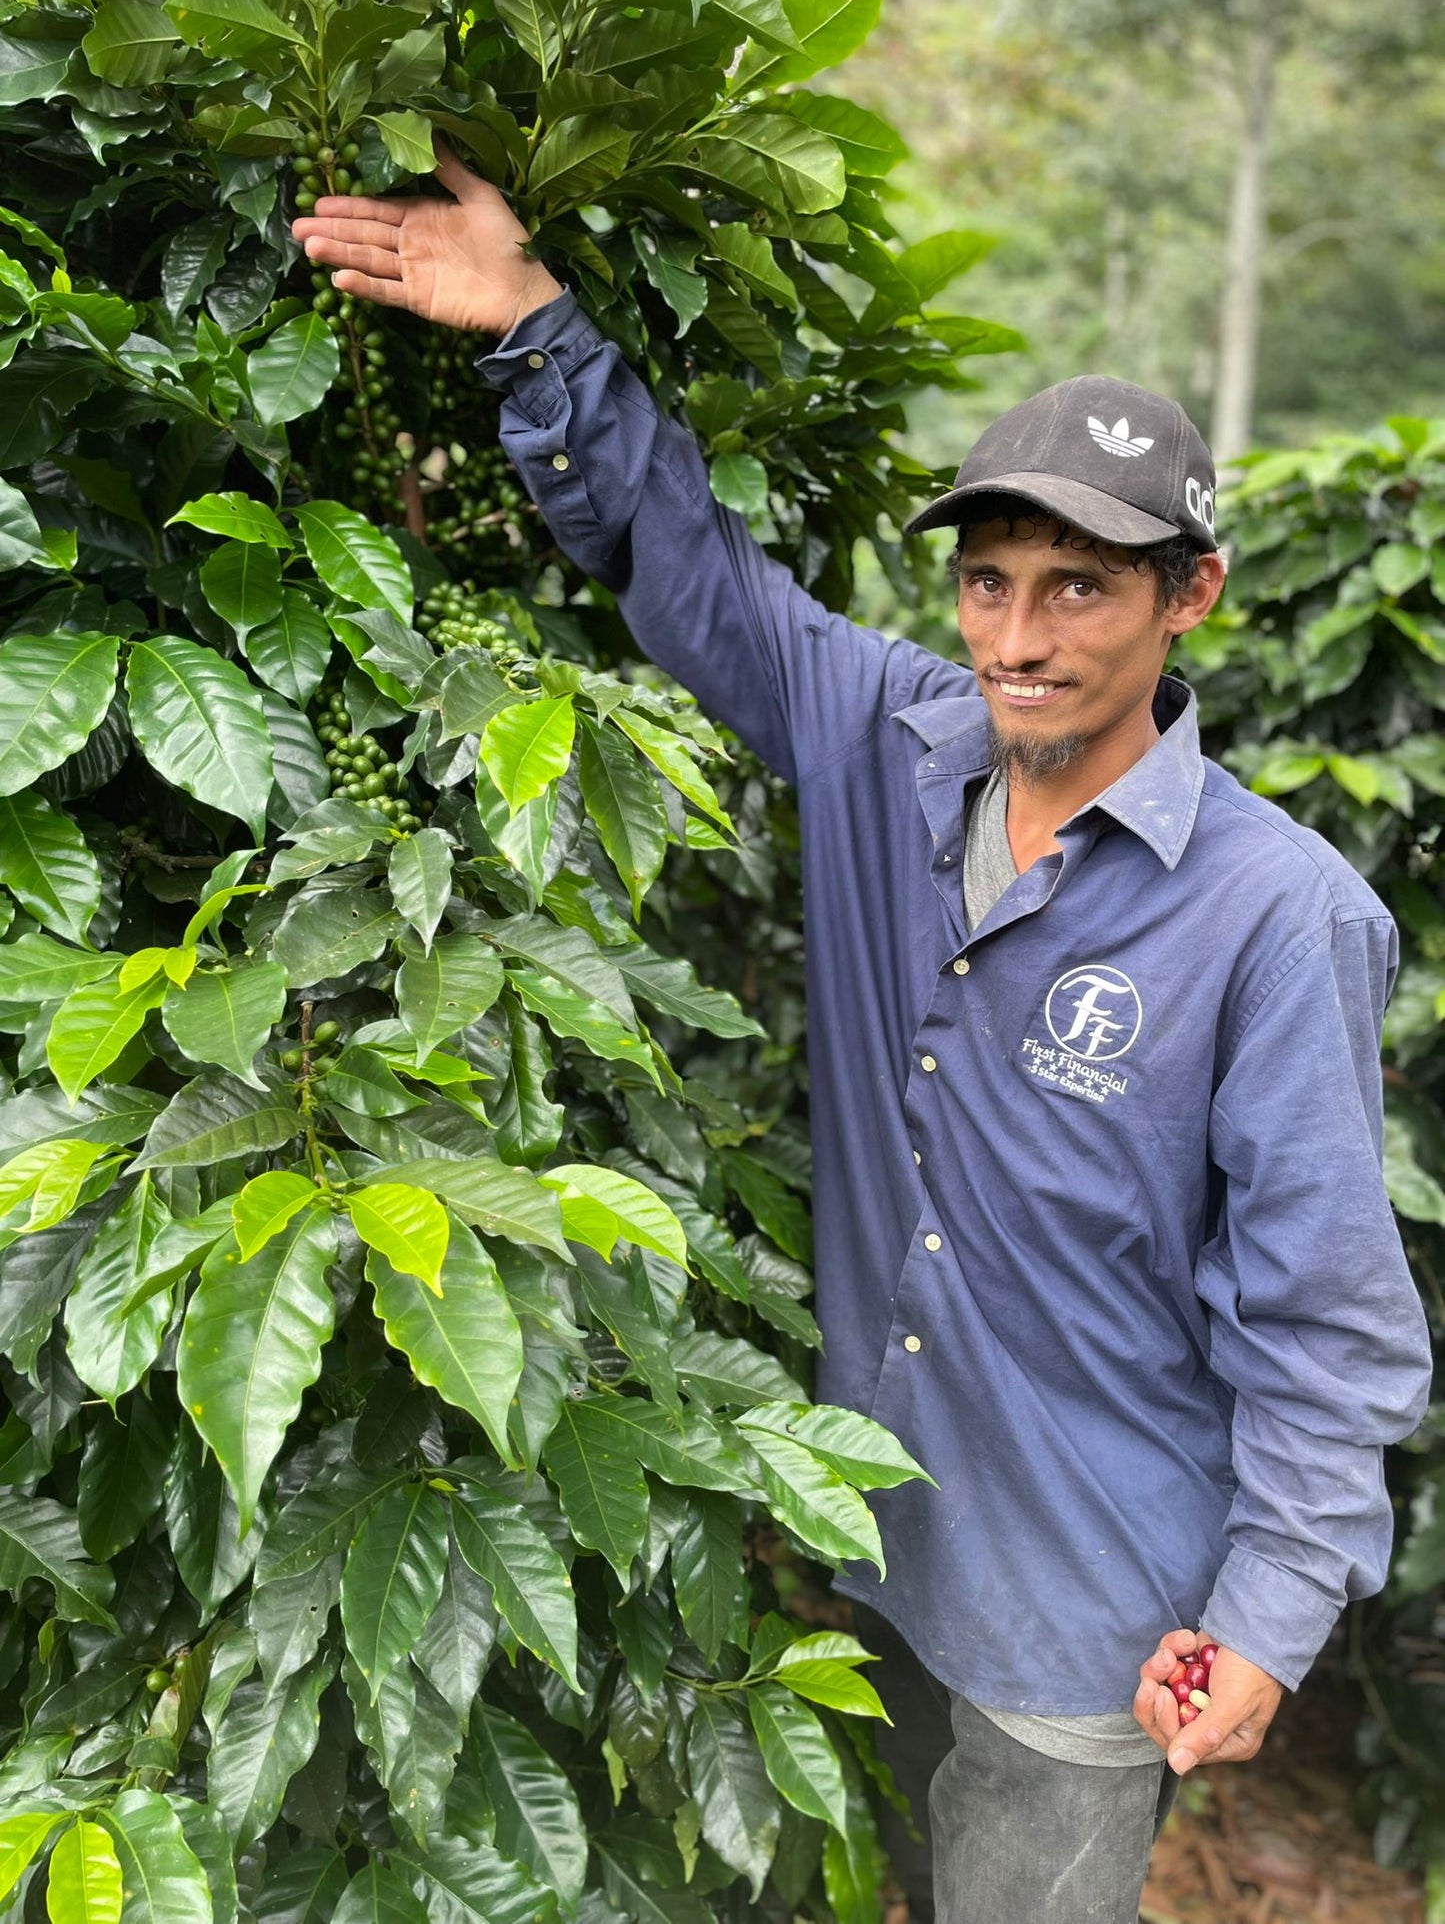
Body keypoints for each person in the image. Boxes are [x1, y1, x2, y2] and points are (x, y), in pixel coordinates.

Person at [293, 153, 1433, 1923]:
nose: (1019, 636)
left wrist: (1267, 1615)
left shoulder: (1277, 917)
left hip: (1086, 1611)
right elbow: (700, 578)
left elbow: (1328, 1321)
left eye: (1080, 590)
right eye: (990, 584)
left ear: (1186, 597)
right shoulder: (892, 742)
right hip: (879, 1526)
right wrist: (530, 325)